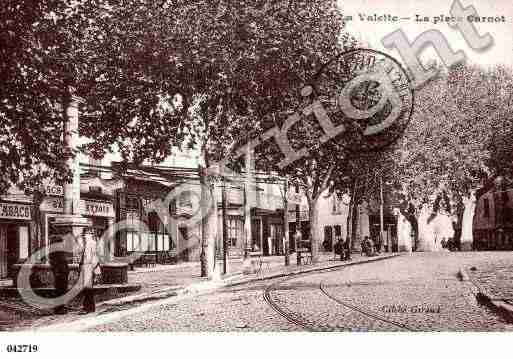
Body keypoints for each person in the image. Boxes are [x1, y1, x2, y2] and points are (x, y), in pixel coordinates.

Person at [79, 229, 100, 313]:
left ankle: (88, 308)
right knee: (87, 289)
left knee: (88, 289)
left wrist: (91, 268)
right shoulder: (86, 244)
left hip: (89, 267)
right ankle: (90, 307)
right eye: (84, 234)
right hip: (86, 267)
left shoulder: (93, 243)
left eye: (87, 234)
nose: (85, 236)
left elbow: (95, 257)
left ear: (91, 235)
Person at [48, 235, 70, 315]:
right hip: (60, 273)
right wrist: (57, 272)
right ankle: (59, 308)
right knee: (60, 290)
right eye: (61, 242)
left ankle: (61, 307)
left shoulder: (56, 251)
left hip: (62, 272)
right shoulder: (56, 252)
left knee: (62, 290)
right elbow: (55, 263)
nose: (62, 243)